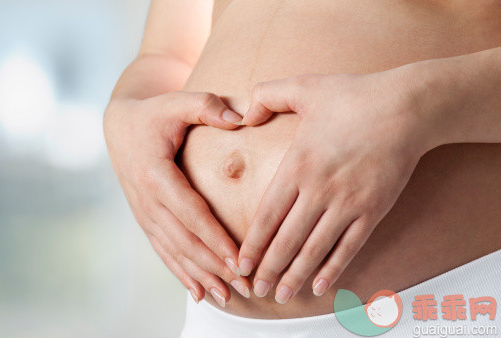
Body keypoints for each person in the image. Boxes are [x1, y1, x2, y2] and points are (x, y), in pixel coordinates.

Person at [104, 0, 501, 336]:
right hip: (218, 317)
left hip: (455, 298)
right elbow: (166, 55)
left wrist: (415, 109)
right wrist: (123, 119)